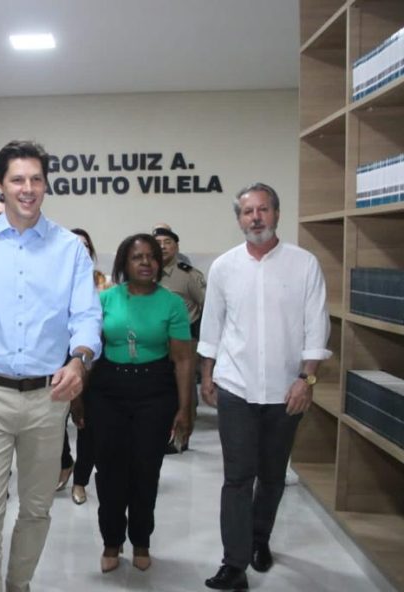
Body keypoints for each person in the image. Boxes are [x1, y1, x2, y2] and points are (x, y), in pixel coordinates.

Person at [0, 139, 102, 592]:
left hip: (49, 397)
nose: (27, 189)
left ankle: (18, 583)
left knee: (36, 509)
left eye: (35, 180)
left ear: (45, 185)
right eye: (17, 180)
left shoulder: (70, 249)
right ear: (0, 185)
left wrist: (80, 360)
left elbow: (87, 318)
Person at [200, 183, 331, 591]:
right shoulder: (223, 266)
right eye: (247, 212)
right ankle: (234, 564)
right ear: (238, 219)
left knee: (272, 476)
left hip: (286, 390)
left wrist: (306, 379)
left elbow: (316, 326)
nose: (255, 218)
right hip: (236, 387)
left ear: (276, 213)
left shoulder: (304, 264)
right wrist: (208, 374)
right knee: (237, 477)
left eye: (263, 210)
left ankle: (260, 541)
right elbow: (213, 326)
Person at [87, 233, 193, 573]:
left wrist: (184, 408)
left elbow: (182, 360)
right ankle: (111, 542)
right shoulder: (105, 299)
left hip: (155, 391)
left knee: (146, 471)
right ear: (124, 263)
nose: (146, 262)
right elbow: (88, 353)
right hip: (107, 391)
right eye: (137, 257)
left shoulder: (172, 303)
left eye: (151, 256)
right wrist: (78, 399)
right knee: (110, 472)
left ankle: (142, 541)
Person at [59, 228, 110, 506]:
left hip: (91, 365)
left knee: (85, 426)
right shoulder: (53, 279)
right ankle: (65, 463)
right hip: (56, 362)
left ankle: (80, 481)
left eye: (84, 246)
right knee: (55, 427)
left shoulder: (103, 283)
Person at [153, 224, 206, 453]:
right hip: (155, 344)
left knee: (185, 391)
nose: (163, 247)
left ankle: (182, 438)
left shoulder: (188, 275)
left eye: (168, 243)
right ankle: (161, 435)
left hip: (184, 342)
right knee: (161, 391)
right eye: (158, 244)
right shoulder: (146, 273)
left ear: (176, 247)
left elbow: (208, 306)